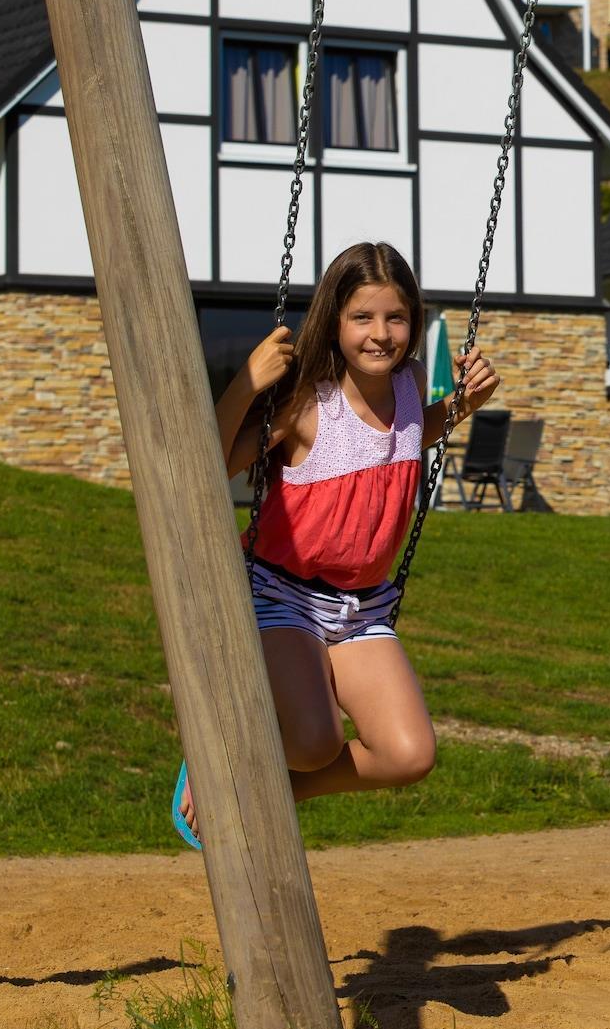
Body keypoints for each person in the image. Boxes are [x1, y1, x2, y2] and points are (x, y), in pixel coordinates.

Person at [173, 241, 499, 847]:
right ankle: (217, 754)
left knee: (408, 754)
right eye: (362, 317)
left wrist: (460, 406)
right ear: (335, 320)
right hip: (281, 594)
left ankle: (265, 789)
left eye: (396, 318)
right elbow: (207, 468)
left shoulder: (408, 387)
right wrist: (245, 384)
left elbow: (410, 435)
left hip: (361, 608)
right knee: (313, 742)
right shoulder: (308, 402)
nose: (381, 334)